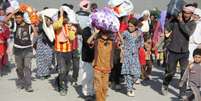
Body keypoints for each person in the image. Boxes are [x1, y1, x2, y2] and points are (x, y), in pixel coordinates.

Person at [161, 4, 196, 98]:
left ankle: (182, 93)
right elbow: (167, 27)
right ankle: (165, 84)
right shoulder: (175, 20)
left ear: (191, 13)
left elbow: (188, 32)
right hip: (172, 50)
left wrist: (180, 21)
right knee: (171, 72)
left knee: (184, 73)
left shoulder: (193, 23)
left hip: (184, 52)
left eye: (188, 13)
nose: (185, 14)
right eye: (184, 12)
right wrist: (171, 18)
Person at [53, 8, 76, 96]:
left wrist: (71, 30)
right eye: (62, 16)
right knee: (62, 70)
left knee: (66, 70)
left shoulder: (70, 26)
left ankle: (58, 80)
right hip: (59, 51)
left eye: (65, 16)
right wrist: (61, 15)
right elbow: (58, 25)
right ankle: (63, 88)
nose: (64, 18)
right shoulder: (56, 24)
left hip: (68, 51)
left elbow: (72, 38)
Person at [87, 28, 114, 101]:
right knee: (98, 88)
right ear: (100, 33)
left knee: (105, 88)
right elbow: (88, 41)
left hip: (107, 68)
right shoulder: (97, 41)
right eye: (103, 33)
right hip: (97, 67)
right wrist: (95, 33)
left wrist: (118, 33)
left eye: (107, 33)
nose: (105, 35)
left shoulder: (112, 42)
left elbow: (122, 43)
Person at [12, 11, 35, 92]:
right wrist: (13, 12)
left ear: (22, 18)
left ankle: (28, 85)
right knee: (19, 68)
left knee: (27, 67)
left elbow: (35, 34)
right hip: (17, 50)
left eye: (19, 18)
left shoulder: (28, 26)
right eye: (16, 18)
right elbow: (4, 21)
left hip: (28, 50)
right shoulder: (14, 25)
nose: (17, 19)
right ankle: (21, 82)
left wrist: (32, 24)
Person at [120, 18, 144, 96]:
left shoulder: (139, 33)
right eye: (129, 26)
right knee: (128, 73)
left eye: (131, 26)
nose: (129, 27)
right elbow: (120, 41)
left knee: (137, 74)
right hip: (127, 55)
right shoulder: (125, 33)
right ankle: (129, 89)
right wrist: (121, 46)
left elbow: (141, 42)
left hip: (135, 56)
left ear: (136, 26)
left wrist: (141, 48)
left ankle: (130, 84)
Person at [35, 15, 54, 79]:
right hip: (41, 44)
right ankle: (41, 74)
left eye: (48, 19)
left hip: (49, 45)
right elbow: (38, 30)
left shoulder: (51, 27)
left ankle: (46, 72)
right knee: (41, 59)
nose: (48, 21)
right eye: (46, 19)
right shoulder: (41, 25)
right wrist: (43, 23)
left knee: (48, 58)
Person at [81, 27, 95, 100]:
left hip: (97, 58)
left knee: (94, 77)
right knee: (87, 76)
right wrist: (95, 33)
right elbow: (88, 41)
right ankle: (87, 93)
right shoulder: (86, 30)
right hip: (87, 57)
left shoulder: (101, 30)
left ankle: (92, 92)